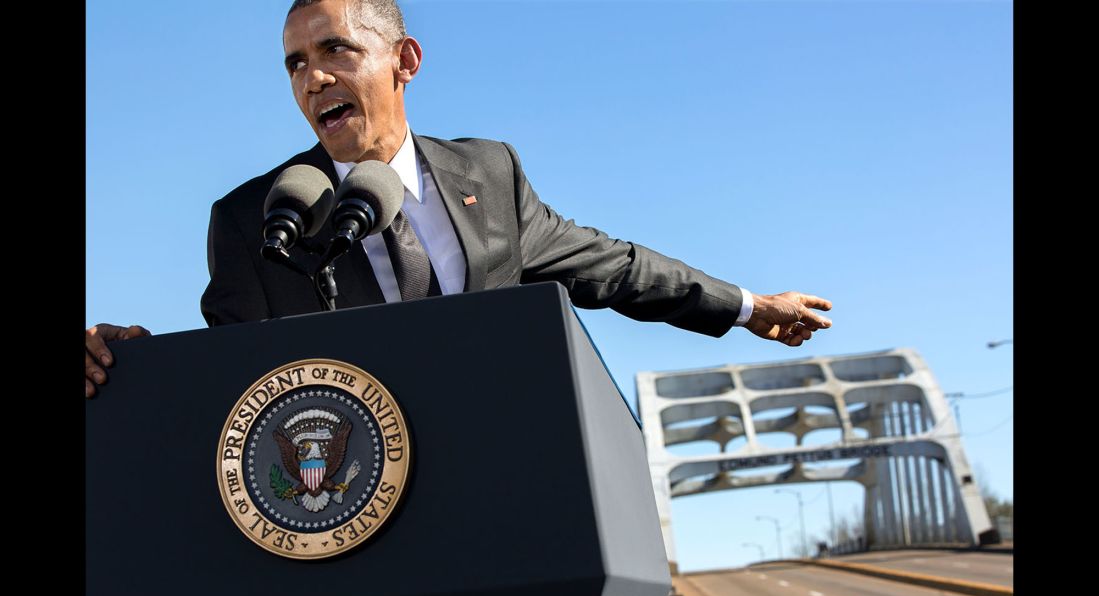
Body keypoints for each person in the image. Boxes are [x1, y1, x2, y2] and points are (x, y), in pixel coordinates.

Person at [86, 0, 833, 398]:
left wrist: (746, 306)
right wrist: (134, 367)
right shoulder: (255, 217)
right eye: (294, 65)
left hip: (499, 493)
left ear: (404, 61)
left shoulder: (489, 174)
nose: (312, 80)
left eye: (334, 51)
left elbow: (614, 267)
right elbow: (230, 378)